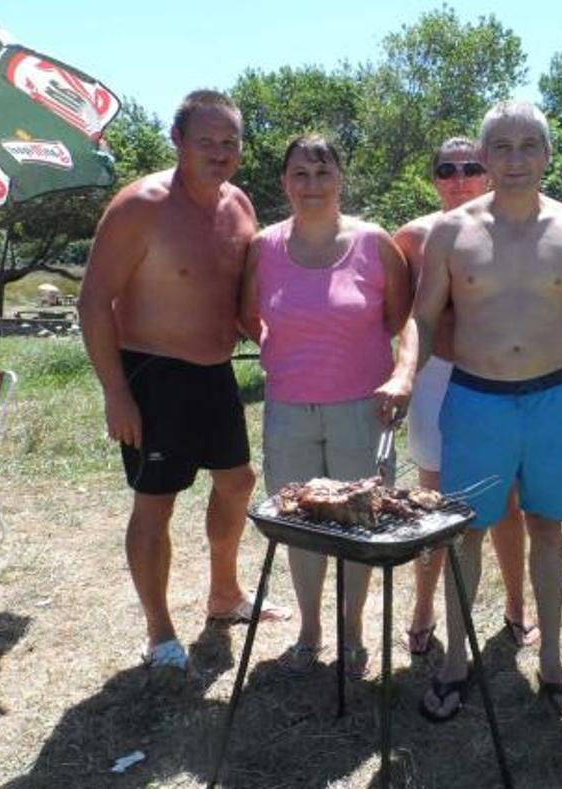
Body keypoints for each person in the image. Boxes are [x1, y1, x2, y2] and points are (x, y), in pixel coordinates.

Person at [413, 101, 562, 723]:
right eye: (500, 147)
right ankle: (455, 662)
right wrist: (401, 375)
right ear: (484, 158)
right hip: (476, 402)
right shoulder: (451, 232)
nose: (515, 159)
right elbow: (422, 319)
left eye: (528, 145)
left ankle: (553, 661)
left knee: (547, 529)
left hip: (557, 400)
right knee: (464, 532)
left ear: (548, 155)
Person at [80, 90, 287, 673]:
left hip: (214, 371)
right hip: (154, 373)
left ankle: (224, 595)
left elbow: (242, 299)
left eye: (231, 142)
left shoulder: (240, 206)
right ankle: (159, 630)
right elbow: (94, 301)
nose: (220, 153)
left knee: (238, 482)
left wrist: (282, 342)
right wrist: (115, 391)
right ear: (179, 141)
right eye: (207, 142)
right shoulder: (139, 205)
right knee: (156, 505)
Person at [240, 134, 414, 679]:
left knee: (359, 524)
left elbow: (406, 320)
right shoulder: (263, 247)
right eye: (299, 174)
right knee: (300, 524)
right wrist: (286, 352)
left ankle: (354, 629)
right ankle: (311, 629)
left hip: (363, 409)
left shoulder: (374, 242)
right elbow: (248, 316)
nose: (311, 185)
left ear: (340, 178)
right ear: (284, 182)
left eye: (322, 173)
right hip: (289, 409)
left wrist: (403, 375)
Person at [394, 137, 538, 656]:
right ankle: (423, 606)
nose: (460, 178)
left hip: (499, 380)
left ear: (490, 173)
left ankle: (518, 604)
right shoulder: (411, 238)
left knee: (507, 500)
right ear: (434, 178)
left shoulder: (517, 232)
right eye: (447, 168)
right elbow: (400, 315)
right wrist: (401, 374)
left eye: (471, 167)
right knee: (432, 501)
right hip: (437, 378)